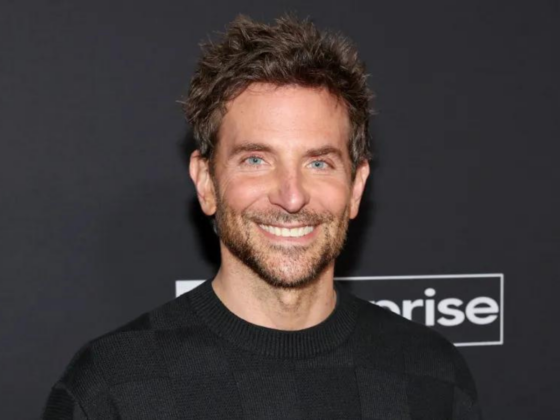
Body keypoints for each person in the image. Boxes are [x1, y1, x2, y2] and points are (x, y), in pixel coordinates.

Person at [43, 14, 481, 420]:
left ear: (356, 186)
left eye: (318, 163)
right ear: (206, 182)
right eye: (256, 160)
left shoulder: (432, 375)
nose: (291, 196)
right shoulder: (111, 386)